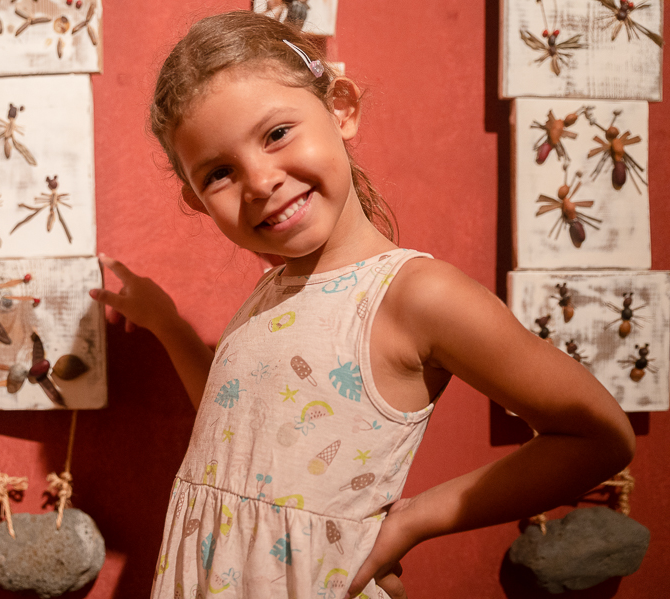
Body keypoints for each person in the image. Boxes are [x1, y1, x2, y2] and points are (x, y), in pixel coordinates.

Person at [89, 10, 635, 599]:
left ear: (342, 108)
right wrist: (169, 326)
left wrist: (415, 518)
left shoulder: (415, 296)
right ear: (197, 201)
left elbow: (598, 436)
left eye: (276, 134)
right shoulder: (271, 294)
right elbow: (236, 432)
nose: (260, 180)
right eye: (219, 173)